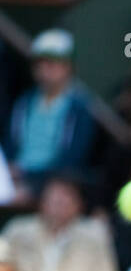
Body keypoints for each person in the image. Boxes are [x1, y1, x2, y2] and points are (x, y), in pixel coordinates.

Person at [0, 173, 118, 271]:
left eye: (66, 198)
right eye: (54, 198)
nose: (59, 203)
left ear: (79, 205)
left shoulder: (94, 237)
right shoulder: (19, 231)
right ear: (42, 201)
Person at [4, 30, 96, 206]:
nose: (44, 71)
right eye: (39, 64)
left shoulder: (79, 106)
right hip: (15, 177)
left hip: (53, 181)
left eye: (52, 64)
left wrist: (31, 179)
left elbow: (73, 158)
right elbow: (11, 143)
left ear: (68, 66)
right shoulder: (24, 101)